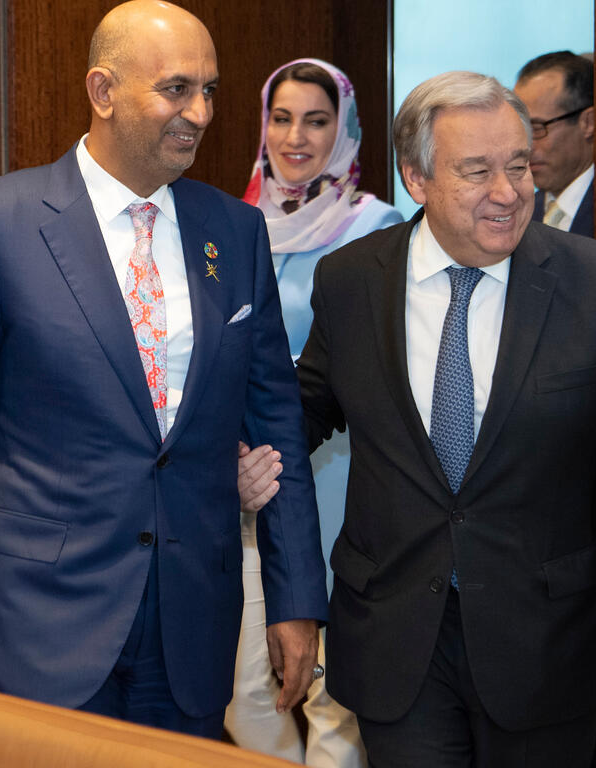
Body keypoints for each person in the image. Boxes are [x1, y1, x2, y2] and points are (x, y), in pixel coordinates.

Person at [0, 0, 328, 739]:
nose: (200, 113)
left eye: (210, 91)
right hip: (34, 623)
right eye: (176, 89)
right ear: (103, 90)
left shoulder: (236, 231)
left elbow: (277, 422)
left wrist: (295, 598)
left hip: (191, 625)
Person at [294, 71, 596, 766]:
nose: (508, 192)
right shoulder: (351, 280)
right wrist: (235, 454)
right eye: (477, 172)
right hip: (396, 641)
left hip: (544, 647)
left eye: (519, 166)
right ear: (416, 178)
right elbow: (305, 410)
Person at [225, 59, 403, 767]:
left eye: (316, 120)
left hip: (336, 476)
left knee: (334, 695)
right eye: (282, 117)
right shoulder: (230, 224)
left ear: (345, 129)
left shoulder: (377, 227)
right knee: (246, 692)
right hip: (244, 483)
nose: (295, 137)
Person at [514, 51, 595, 236]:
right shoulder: (518, 215)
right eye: (520, 129)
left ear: (588, 122)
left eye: (537, 128)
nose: (526, 147)